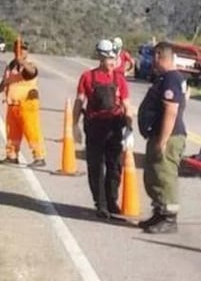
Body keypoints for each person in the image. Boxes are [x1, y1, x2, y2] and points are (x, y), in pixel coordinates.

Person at [72, 39, 134, 219]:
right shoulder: (87, 77)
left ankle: (111, 200)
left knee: (114, 165)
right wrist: (74, 125)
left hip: (114, 126)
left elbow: (126, 104)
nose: (112, 62)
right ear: (100, 57)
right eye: (108, 58)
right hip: (94, 127)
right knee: (96, 166)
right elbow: (79, 101)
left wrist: (129, 128)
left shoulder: (119, 79)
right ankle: (100, 204)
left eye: (114, 58)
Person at [136, 41, 188, 234]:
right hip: (159, 133)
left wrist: (163, 140)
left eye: (154, 57)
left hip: (169, 136)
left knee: (164, 176)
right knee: (155, 175)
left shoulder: (171, 78)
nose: (152, 62)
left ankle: (169, 218)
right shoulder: (167, 78)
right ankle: (159, 212)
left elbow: (171, 111)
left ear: (159, 56)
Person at [0, 41, 46, 167]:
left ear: (27, 52)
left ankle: (39, 157)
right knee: (12, 134)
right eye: (18, 49)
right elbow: (5, 81)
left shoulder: (29, 65)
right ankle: (12, 156)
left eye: (23, 50)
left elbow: (31, 72)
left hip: (27, 105)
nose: (20, 52)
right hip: (12, 105)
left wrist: (23, 63)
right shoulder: (10, 66)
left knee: (32, 132)